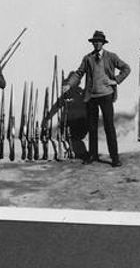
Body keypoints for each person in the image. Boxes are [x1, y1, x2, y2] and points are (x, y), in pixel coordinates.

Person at [63, 30, 131, 167]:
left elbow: (126, 68)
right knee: (92, 127)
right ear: (92, 43)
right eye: (95, 42)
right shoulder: (88, 58)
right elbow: (79, 73)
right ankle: (92, 155)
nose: (97, 44)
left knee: (109, 127)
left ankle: (115, 158)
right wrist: (69, 85)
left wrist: (116, 80)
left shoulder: (111, 57)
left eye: (99, 42)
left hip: (106, 96)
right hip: (91, 97)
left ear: (103, 43)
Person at [43, 72, 89, 161]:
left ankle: (82, 154)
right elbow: (56, 106)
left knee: (75, 139)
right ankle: (79, 154)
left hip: (80, 123)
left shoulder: (82, 94)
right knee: (71, 139)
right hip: (69, 124)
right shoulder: (67, 95)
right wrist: (47, 118)